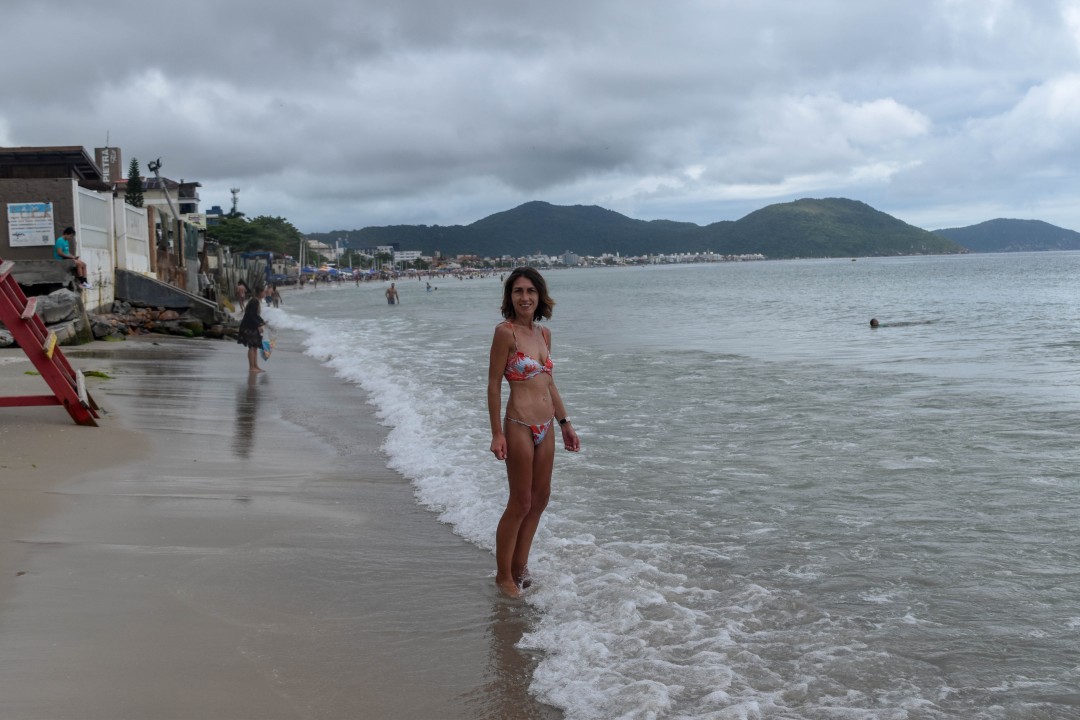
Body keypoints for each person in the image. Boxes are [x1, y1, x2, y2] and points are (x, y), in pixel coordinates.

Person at [487, 267, 580, 598]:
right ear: (509, 297)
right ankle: (503, 575)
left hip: (547, 425)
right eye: (517, 291)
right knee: (520, 501)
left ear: (540, 296)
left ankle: (520, 566)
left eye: (530, 291)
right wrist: (496, 433)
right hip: (519, 425)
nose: (524, 297)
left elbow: (548, 382)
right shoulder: (505, 333)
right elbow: (494, 384)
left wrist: (565, 423)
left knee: (540, 499)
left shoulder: (544, 335)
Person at [237, 286, 267, 373]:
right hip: (248, 327)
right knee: (252, 346)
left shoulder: (255, 300)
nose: (265, 294)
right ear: (260, 293)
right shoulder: (254, 301)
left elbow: (253, 315)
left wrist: (261, 323)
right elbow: (251, 315)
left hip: (251, 326)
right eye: (264, 292)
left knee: (255, 347)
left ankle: (255, 366)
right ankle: (251, 367)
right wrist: (260, 324)